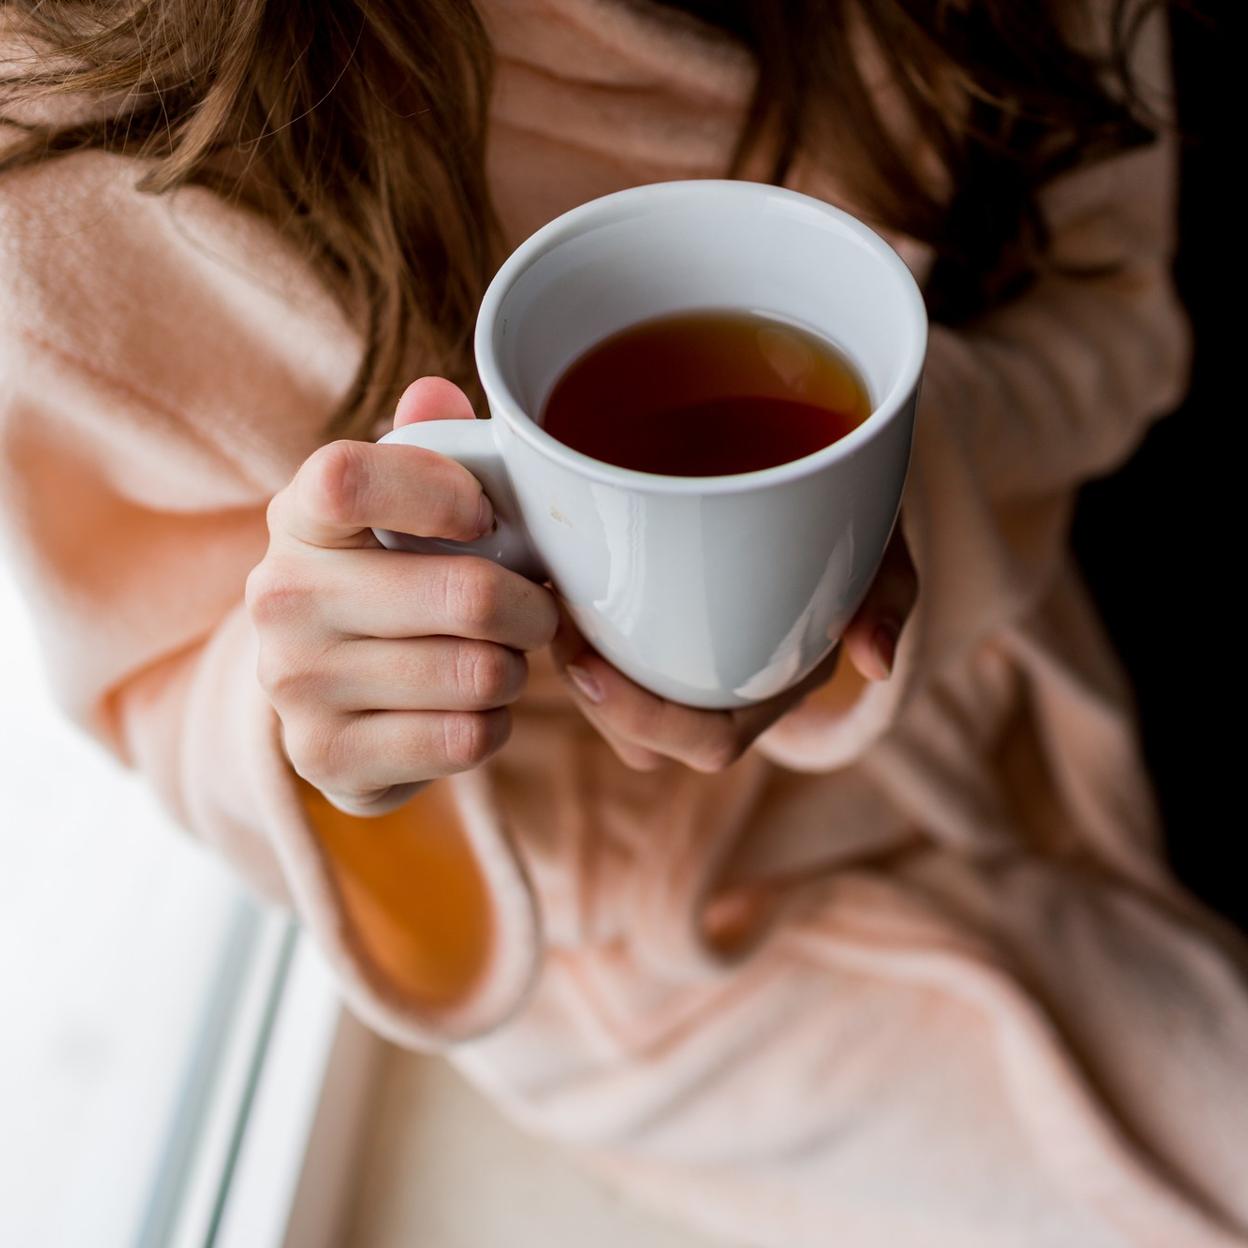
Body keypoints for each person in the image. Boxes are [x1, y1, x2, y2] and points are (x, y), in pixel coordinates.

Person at [2, 1, 1245, 1244]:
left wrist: (861, 512)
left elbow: (1118, 322)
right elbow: (152, 664)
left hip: (995, 696)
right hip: (625, 948)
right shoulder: (65, 115)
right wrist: (335, 710)